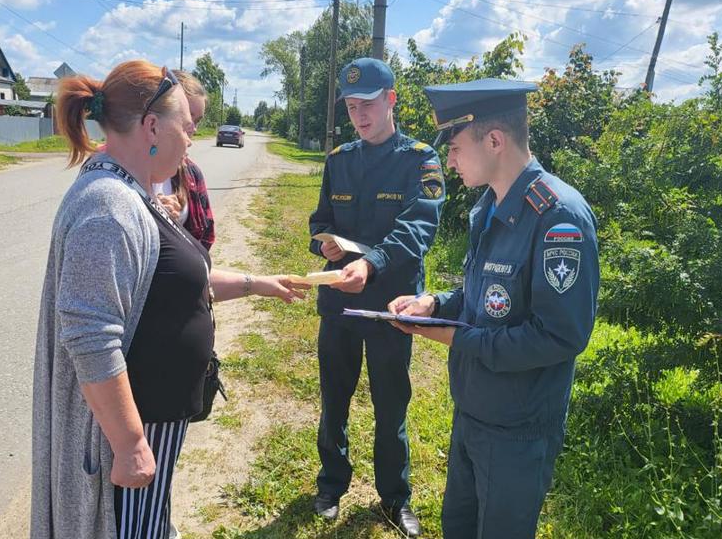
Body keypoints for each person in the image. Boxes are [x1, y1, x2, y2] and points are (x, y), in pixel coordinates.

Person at [31, 60, 305, 539]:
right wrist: (131, 442)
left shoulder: (133, 195)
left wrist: (260, 282)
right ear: (153, 126)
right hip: (133, 431)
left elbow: (177, 284)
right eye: (186, 125)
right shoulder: (108, 208)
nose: (191, 139)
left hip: (156, 418)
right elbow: (91, 338)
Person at [387, 79, 600, 539]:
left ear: (495, 141)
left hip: (518, 431)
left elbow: (561, 336)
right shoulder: (490, 205)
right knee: (458, 528)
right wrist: (434, 303)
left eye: (456, 147)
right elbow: (484, 298)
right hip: (473, 412)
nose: (449, 160)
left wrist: (451, 336)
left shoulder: (557, 216)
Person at [307, 57, 445, 537]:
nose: (359, 115)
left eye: (367, 104)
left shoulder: (420, 160)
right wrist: (323, 242)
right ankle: (331, 485)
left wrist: (371, 263)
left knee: (391, 405)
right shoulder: (339, 160)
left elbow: (419, 227)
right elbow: (319, 219)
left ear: (391, 100)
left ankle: (395, 497)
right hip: (341, 305)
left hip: (391, 308)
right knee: (334, 400)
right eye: (350, 106)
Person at [153, 70, 215, 251]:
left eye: (197, 120)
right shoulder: (123, 164)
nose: (193, 128)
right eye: (187, 116)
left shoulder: (191, 172)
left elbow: (206, 236)